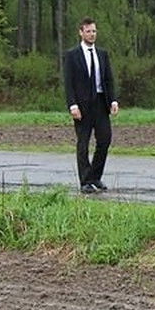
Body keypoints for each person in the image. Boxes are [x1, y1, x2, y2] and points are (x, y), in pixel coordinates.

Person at [62, 17, 118, 193]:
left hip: (101, 103)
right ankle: (85, 181)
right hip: (82, 106)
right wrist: (73, 105)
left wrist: (113, 100)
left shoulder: (102, 54)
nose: (92, 34)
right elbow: (68, 82)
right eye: (88, 31)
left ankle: (95, 177)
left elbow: (108, 78)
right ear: (81, 32)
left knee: (105, 140)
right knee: (83, 143)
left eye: (94, 31)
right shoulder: (72, 55)